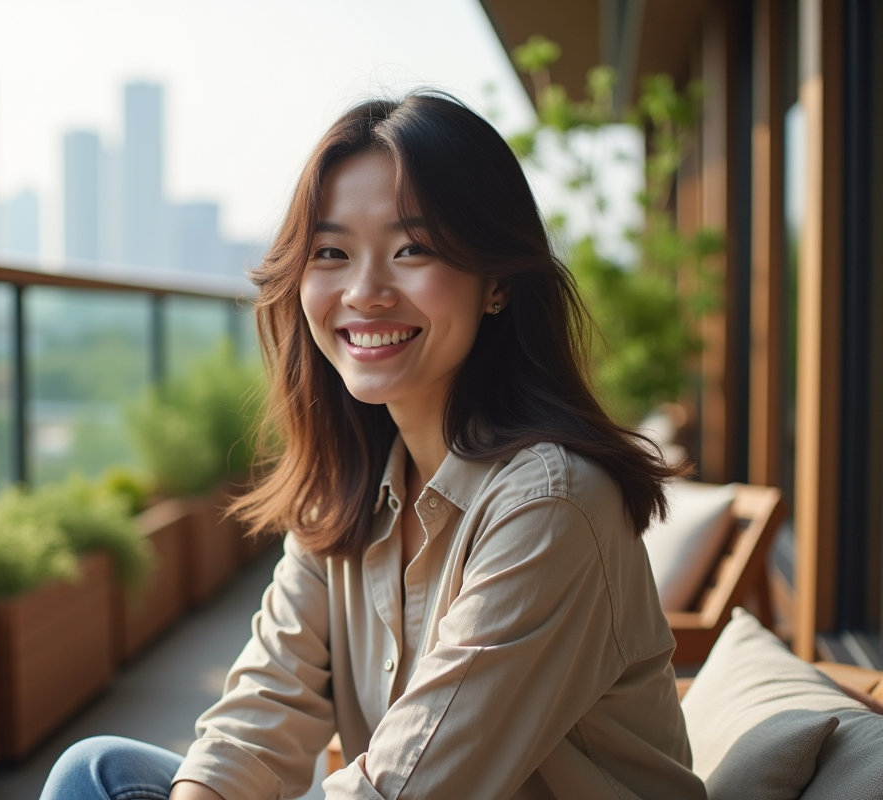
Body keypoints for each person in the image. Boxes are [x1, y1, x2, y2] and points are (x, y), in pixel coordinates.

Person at [41, 92, 705, 800]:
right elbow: (267, 702)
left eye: (412, 249)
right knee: (99, 772)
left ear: (498, 284)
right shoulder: (352, 483)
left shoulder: (551, 504)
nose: (364, 291)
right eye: (331, 252)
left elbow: (407, 788)